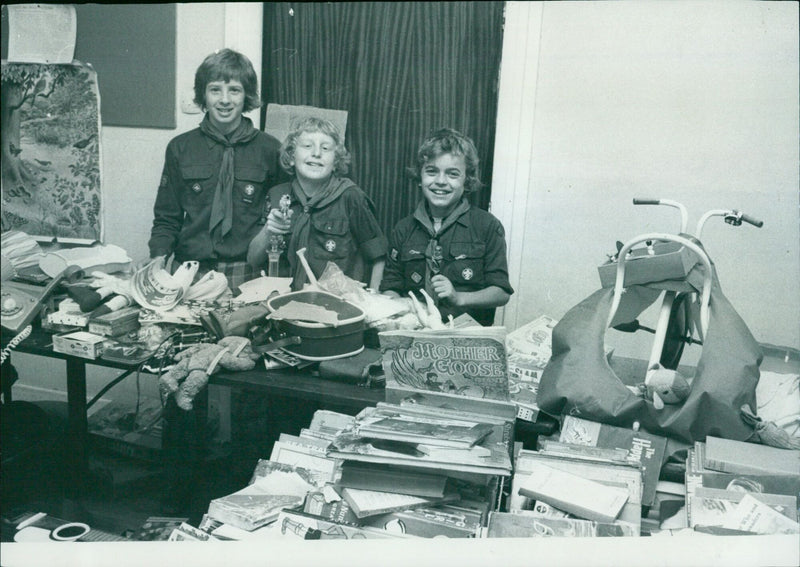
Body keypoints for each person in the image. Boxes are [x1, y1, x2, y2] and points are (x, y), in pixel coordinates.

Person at [146, 48, 286, 290]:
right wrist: (157, 260)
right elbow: (167, 218)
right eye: (215, 90)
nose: (224, 100)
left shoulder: (270, 149)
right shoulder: (180, 148)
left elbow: (280, 220)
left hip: (247, 273)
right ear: (204, 95)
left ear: (247, 95)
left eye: (234, 90)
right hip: (190, 271)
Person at [380, 128, 513, 326]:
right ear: (420, 176)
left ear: (466, 181)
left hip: (468, 339)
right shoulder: (403, 229)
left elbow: (501, 293)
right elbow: (391, 286)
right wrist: (399, 306)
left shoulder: (487, 226)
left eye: (452, 174)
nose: (440, 182)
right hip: (416, 333)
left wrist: (458, 297)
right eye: (432, 171)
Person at [247, 116, 386, 291]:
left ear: (335, 162)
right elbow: (253, 259)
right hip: (283, 303)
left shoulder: (351, 197)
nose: (317, 153)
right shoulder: (277, 196)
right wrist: (269, 230)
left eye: (326, 148)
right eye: (307, 146)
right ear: (291, 156)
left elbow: (378, 257)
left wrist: (373, 299)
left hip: (336, 304)